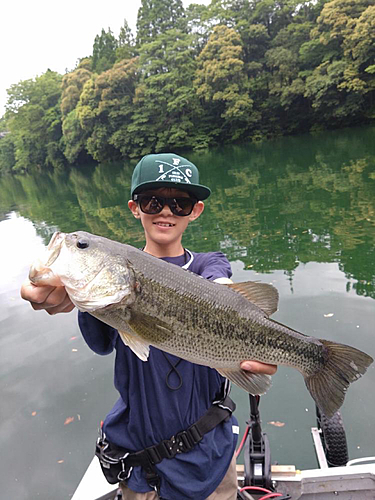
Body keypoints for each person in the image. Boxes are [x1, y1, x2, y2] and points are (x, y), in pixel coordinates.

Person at [21, 153, 277, 500]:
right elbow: (100, 343)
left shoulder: (208, 264)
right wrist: (74, 297)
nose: (166, 211)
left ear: (196, 210)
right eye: (152, 201)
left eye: (180, 202)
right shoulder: (114, 285)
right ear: (135, 207)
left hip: (210, 462)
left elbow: (220, 287)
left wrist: (232, 309)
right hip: (141, 470)